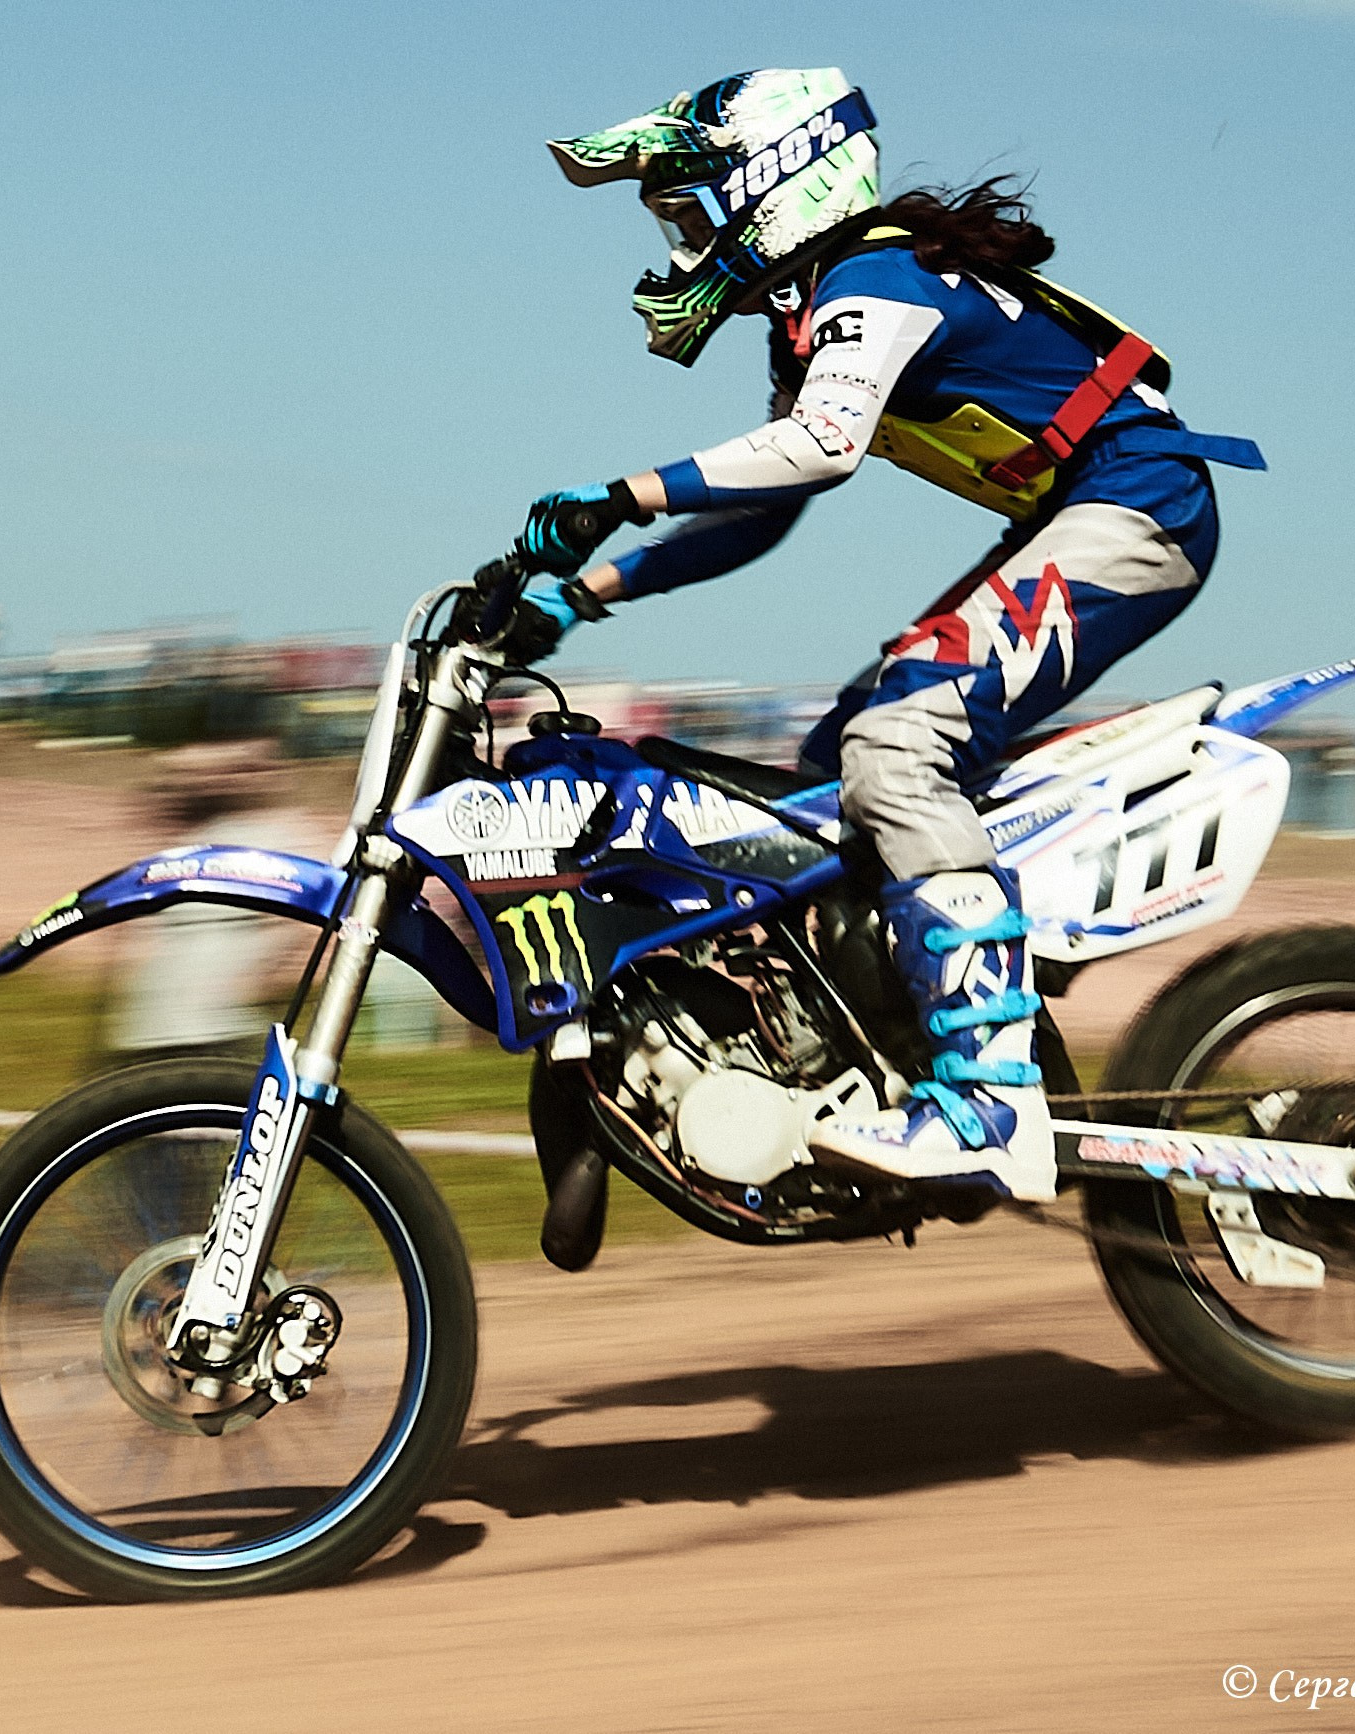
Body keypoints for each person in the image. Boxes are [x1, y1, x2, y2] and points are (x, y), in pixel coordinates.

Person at [506, 68, 1262, 1203]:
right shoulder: (828, 301)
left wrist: (625, 491)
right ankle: (884, 1042)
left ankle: (987, 1091)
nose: (682, 240)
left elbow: (817, 447)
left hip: (1143, 499)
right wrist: (585, 591)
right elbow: (759, 513)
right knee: (828, 769)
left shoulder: (871, 275)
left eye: (695, 202)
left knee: (899, 743)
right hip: (1081, 510)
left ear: (776, 184)